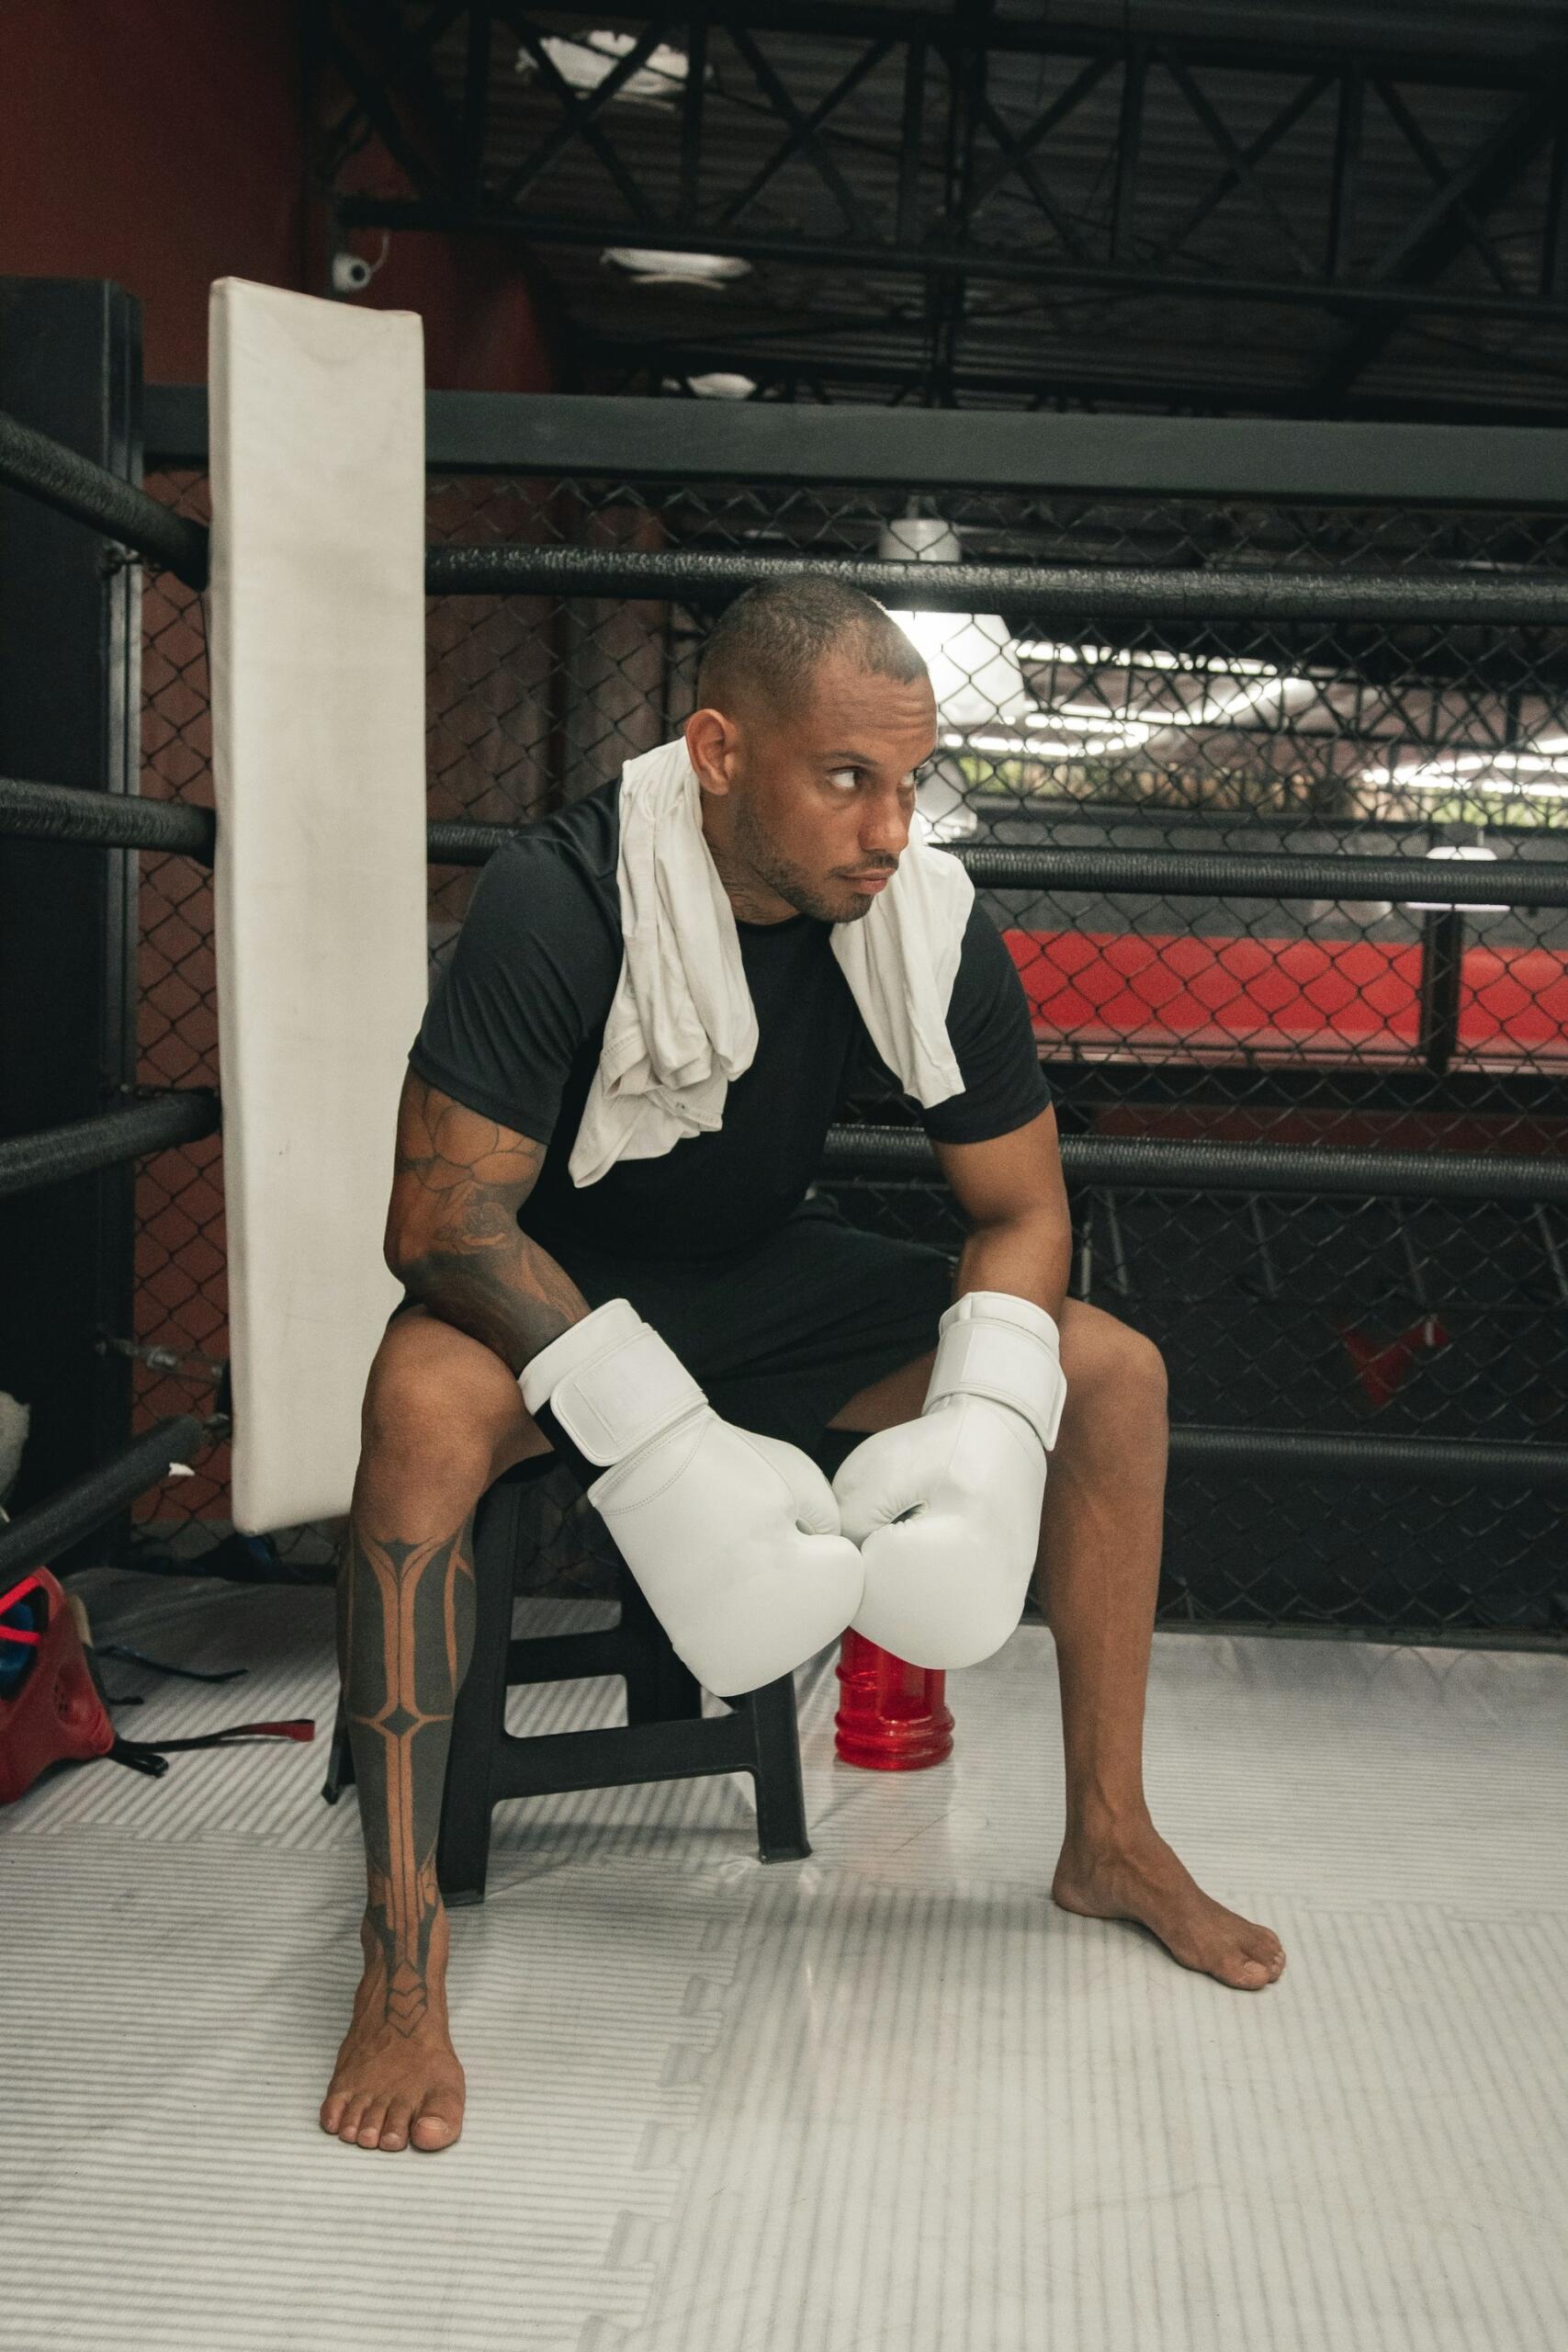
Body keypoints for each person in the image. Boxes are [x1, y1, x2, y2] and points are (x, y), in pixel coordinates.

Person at [320, 576, 1285, 2157]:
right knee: (420, 1404)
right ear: (717, 750)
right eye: (848, 778)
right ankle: (401, 1962)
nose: (892, 828)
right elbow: (438, 1217)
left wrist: (983, 1421)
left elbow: (1024, 1207)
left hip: (764, 1279)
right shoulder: (564, 893)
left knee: (1111, 1374)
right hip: (558, 1286)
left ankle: (1108, 1837)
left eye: (914, 783)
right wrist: (652, 1430)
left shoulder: (920, 916)